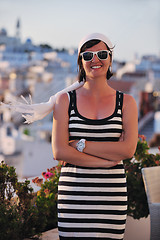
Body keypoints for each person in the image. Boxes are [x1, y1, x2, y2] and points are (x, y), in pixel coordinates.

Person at [52, 33, 138, 239]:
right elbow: (59, 151)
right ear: (81, 62)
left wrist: (80, 144)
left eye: (101, 53)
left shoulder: (126, 102)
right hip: (73, 199)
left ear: (110, 59)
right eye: (87, 55)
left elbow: (127, 149)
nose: (95, 60)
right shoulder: (64, 100)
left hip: (112, 199)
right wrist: (106, 162)